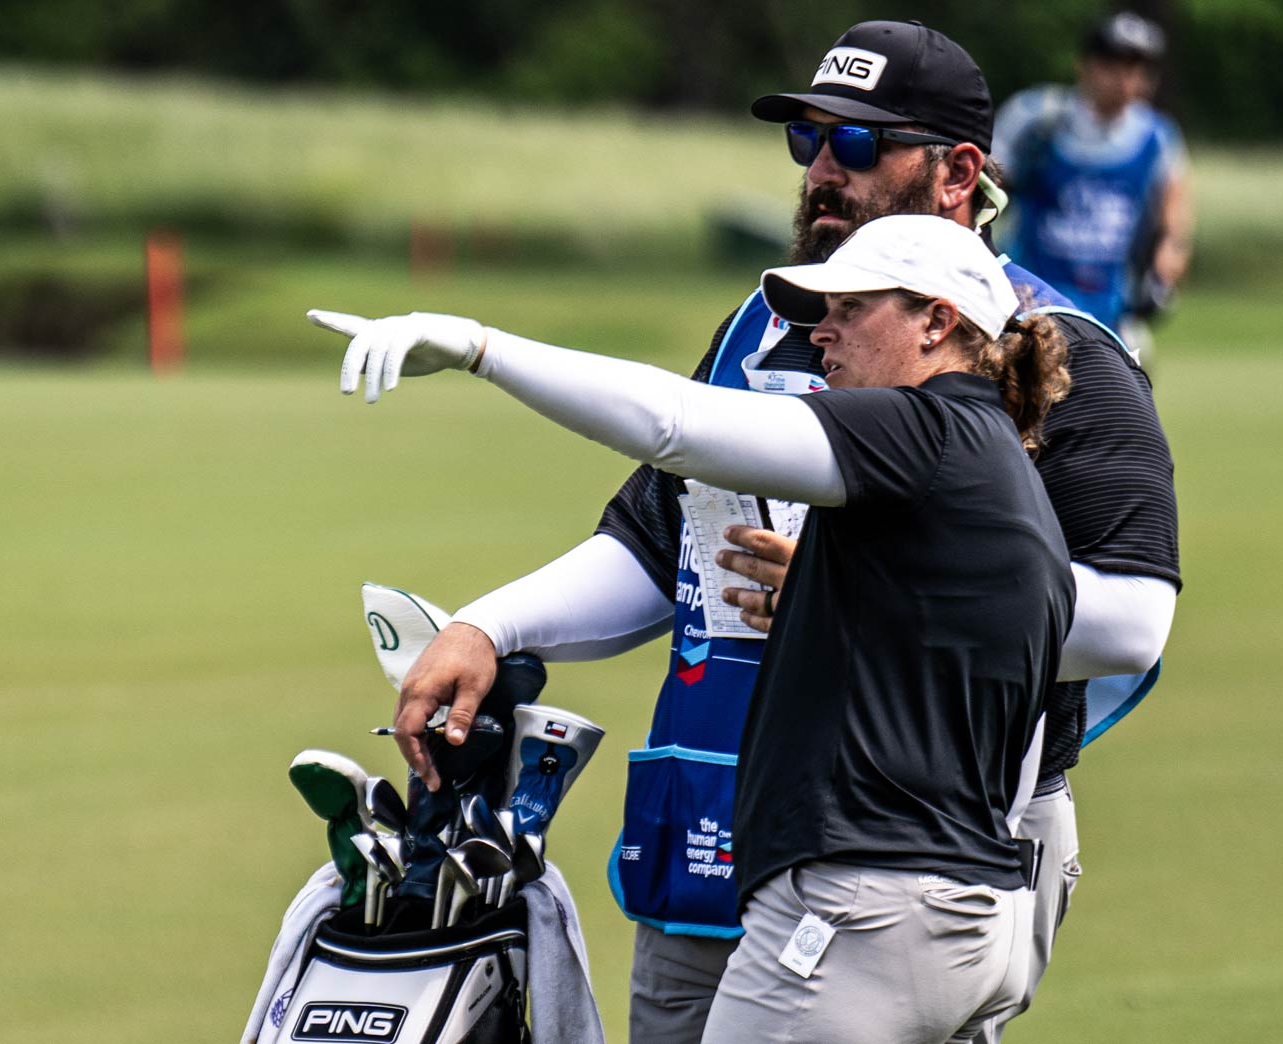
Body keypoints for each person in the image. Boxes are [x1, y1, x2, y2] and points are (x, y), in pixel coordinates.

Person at [380, 19, 1180, 1044]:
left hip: (912, 848)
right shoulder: (766, 325)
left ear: (957, 172)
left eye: (858, 145)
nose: (821, 173)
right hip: (721, 817)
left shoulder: (1057, 349)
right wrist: (489, 629)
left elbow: (1130, 624)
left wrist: (862, 592)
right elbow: (654, 544)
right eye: (807, 142)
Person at [314, 212, 1078, 1043]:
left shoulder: (922, 431)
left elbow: (674, 426)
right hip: (962, 912)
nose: (820, 334)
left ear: (938, 322)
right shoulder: (993, 464)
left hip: (865, 912)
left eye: (852, 310)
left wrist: (479, 348)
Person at [989, 10, 1194, 363]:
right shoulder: (1040, 121)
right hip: (1031, 303)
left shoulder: (1156, 137)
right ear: (1084, 66)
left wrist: (1164, 273)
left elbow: (1174, 219)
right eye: (1114, 66)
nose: (1127, 81)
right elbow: (986, 191)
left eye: (1138, 70)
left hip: (1109, 308)